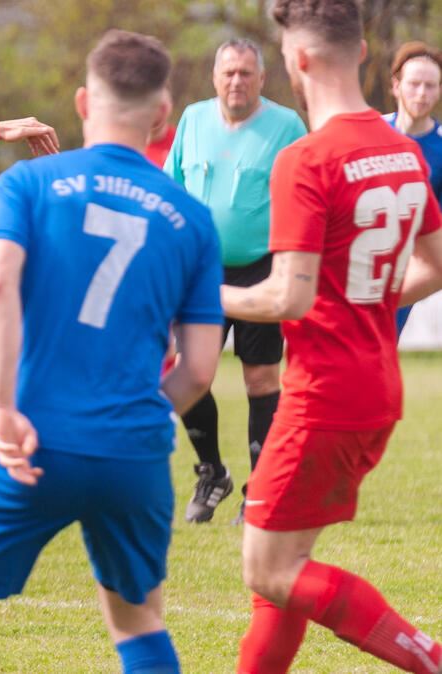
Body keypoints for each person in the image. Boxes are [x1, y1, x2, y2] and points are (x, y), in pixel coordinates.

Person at [0, 29, 223, 674]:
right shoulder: (192, 218)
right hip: (133, 451)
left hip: (26, 441)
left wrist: (2, 406)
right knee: (139, 622)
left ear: (83, 102)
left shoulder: (28, 184)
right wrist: (136, 414)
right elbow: (200, 371)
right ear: (162, 116)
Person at [223, 2, 442, 671]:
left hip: (322, 397)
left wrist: (193, 299)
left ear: (298, 62)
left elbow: (287, 294)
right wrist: (365, 303)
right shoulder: (401, 151)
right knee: (284, 567)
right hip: (374, 385)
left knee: (270, 573)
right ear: (366, 54)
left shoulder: (307, 158)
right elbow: (436, 263)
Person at [165, 38, 307, 524]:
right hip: (200, 269)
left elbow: (304, 197)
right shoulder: (193, 119)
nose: (236, 81)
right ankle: (212, 474)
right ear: (214, 77)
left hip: (262, 267)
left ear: (262, 79)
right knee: (189, 372)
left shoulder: (287, 125)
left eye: (246, 73)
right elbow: (173, 188)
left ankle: (260, 489)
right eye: (228, 72)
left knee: (261, 377)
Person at [385, 41, 442, 335]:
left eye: (431, 86)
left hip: (410, 270)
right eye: (414, 84)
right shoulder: (371, 133)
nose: (422, 93)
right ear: (396, 85)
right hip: (360, 261)